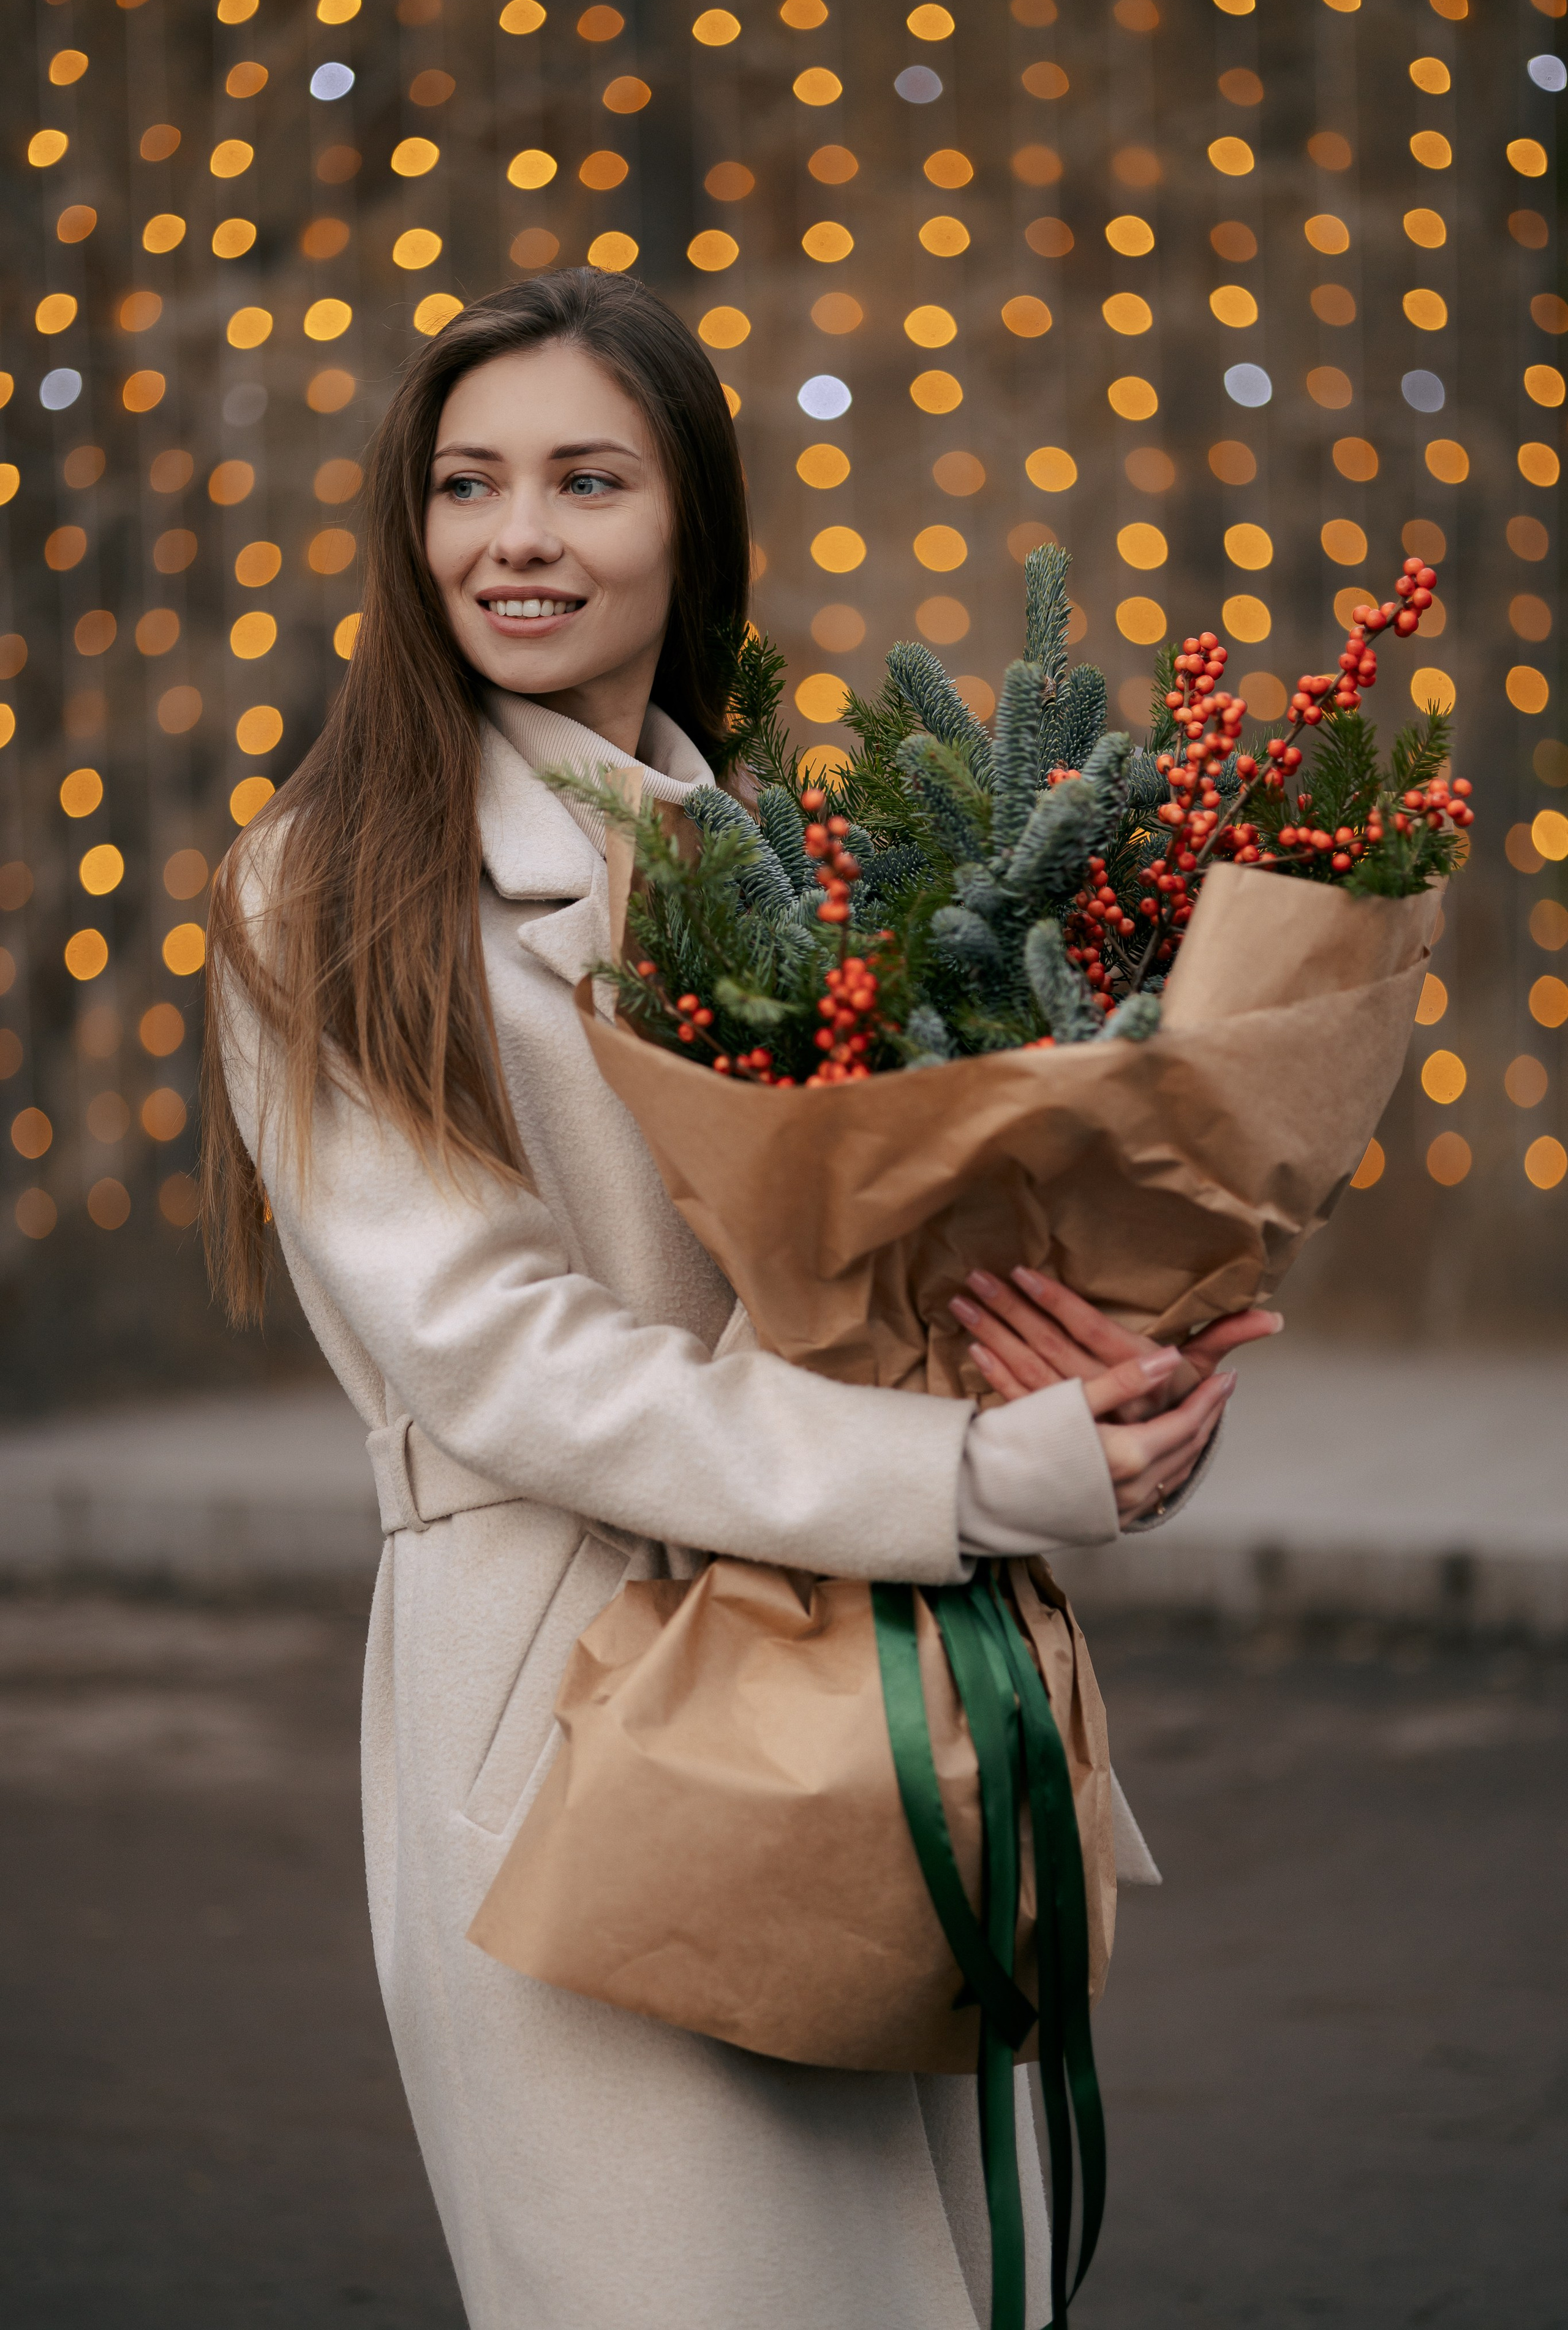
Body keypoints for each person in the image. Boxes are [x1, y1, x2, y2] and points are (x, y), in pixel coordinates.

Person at [202, 270, 1274, 2330]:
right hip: (562, 1712)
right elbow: (507, 1359)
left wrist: (1100, 1382)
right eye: (465, 485)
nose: (516, 537)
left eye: (586, 481)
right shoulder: (329, 884)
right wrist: (974, 1469)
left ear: (691, 517)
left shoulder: (798, 854)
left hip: (870, 1691)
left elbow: (889, 1277)